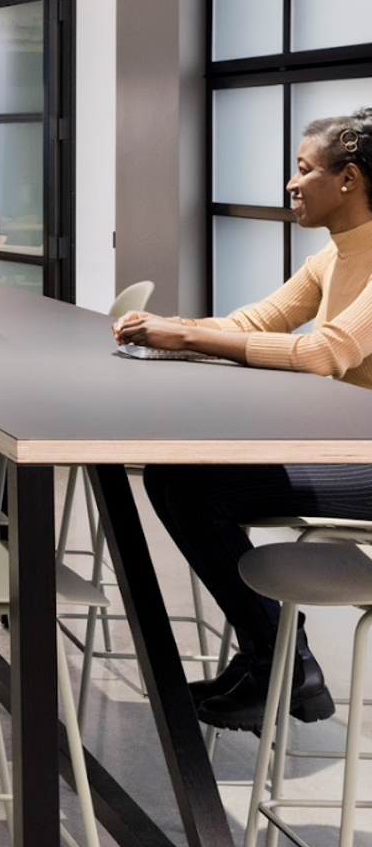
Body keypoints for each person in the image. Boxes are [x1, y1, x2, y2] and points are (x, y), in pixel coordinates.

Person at [124, 108, 372, 732]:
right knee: (174, 476)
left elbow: (325, 353)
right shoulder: (331, 258)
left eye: (303, 169)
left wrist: (184, 336)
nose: (291, 183)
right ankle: (274, 659)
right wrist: (168, 330)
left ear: (347, 179)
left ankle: (282, 664)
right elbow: (252, 323)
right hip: (349, 447)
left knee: (194, 489)